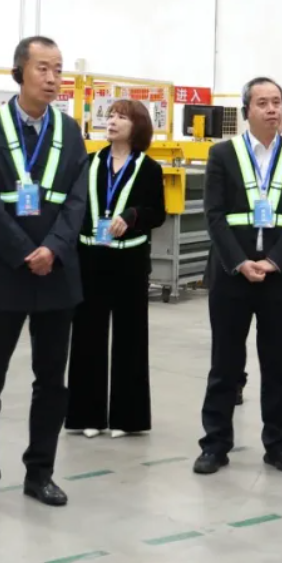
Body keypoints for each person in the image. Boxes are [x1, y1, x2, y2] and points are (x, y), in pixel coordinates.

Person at [0, 36, 90, 516]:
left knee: (51, 382)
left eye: (58, 69)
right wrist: (24, 252)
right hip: (4, 272)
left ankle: (40, 473)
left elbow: (78, 198)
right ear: (19, 72)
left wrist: (53, 249)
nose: (53, 78)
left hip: (56, 274)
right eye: (43, 68)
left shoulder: (70, 131)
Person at [194, 77, 282, 475]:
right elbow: (214, 214)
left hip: (281, 277)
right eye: (262, 102)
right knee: (225, 365)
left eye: (277, 101)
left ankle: (279, 445)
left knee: (279, 366)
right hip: (232, 275)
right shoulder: (222, 154)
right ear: (246, 110)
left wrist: (275, 261)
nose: (271, 109)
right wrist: (240, 262)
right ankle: (215, 444)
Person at [66, 100, 166, 438]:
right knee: (87, 335)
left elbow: (157, 213)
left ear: (137, 126)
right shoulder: (89, 163)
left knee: (131, 337)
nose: (112, 121)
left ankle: (128, 418)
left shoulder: (149, 169)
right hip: (90, 259)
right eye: (110, 116)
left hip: (130, 262)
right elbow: (75, 206)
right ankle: (87, 415)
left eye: (121, 117)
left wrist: (133, 216)